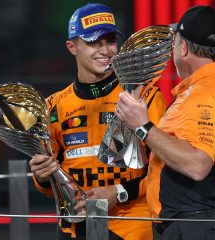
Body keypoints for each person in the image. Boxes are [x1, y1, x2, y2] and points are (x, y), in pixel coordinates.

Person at [115, 5, 215, 240]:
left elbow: (198, 166)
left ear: (183, 48)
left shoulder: (202, 95)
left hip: (192, 226)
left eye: (175, 41)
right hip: (214, 223)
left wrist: (142, 126)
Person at [29, 3, 166, 240]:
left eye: (110, 41)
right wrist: (41, 176)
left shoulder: (143, 96)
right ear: (72, 47)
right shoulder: (53, 106)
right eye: (94, 42)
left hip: (133, 228)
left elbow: (165, 170)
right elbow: (49, 184)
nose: (105, 50)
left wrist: (119, 192)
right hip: (74, 229)